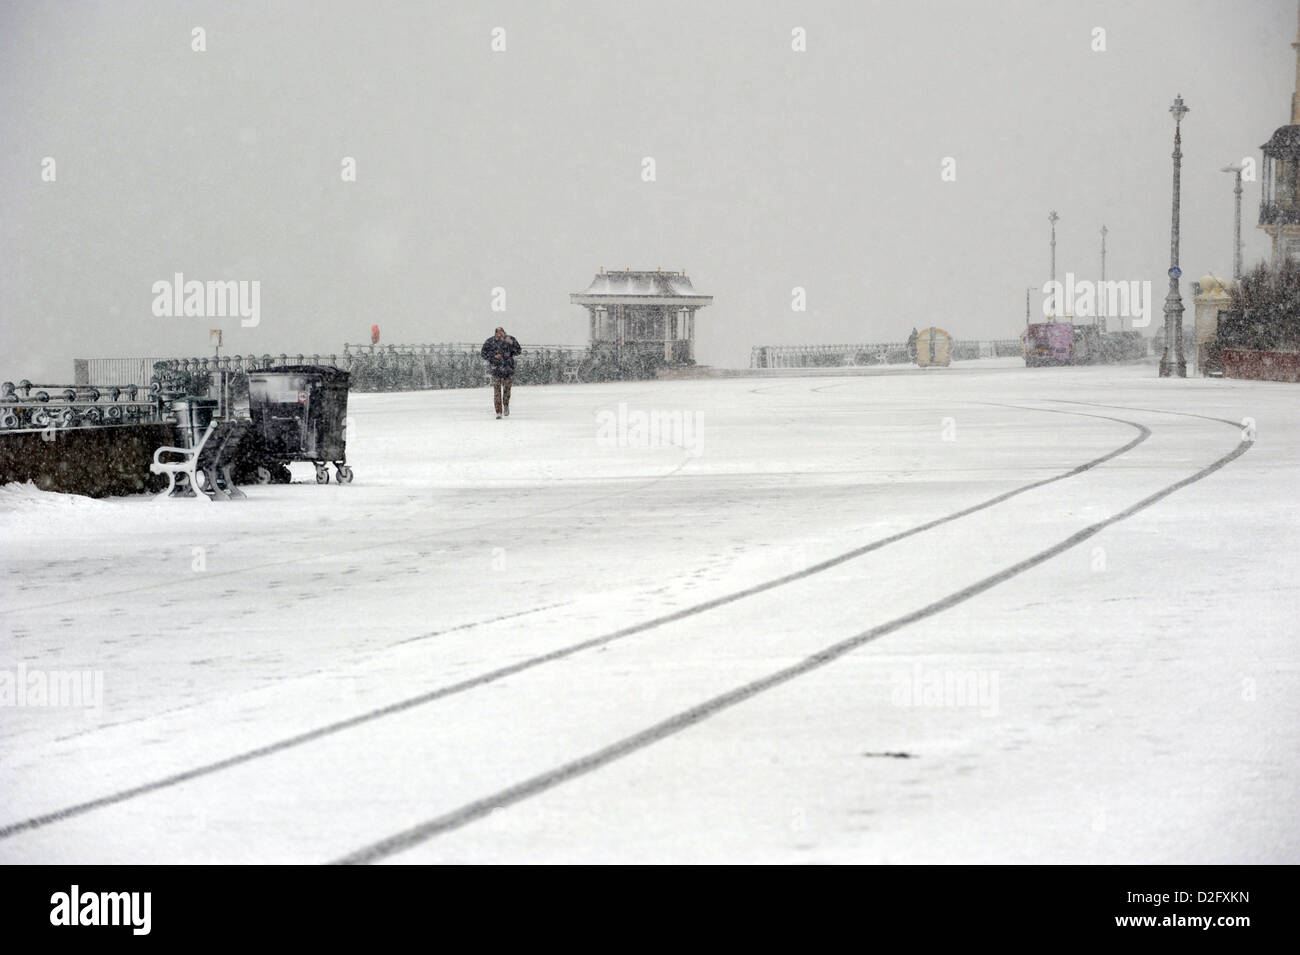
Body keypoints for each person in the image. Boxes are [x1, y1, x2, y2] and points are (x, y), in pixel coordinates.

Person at [480, 326, 522, 418]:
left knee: (507, 390)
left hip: (508, 369)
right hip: (496, 369)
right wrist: (494, 356)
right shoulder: (490, 341)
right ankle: (498, 411)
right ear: (495, 333)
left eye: (501, 332)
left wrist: (511, 343)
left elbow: (518, 351)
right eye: (497, 332)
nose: (499, 334)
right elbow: (483, 353)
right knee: (497, 392)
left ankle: (506, 404)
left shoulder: (510, 339)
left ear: (504, 332)